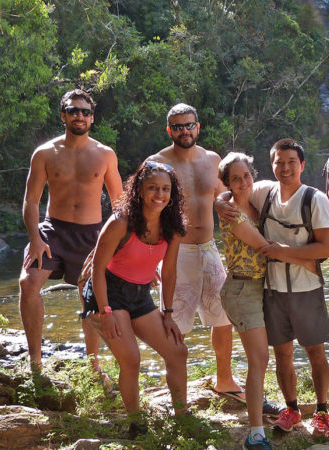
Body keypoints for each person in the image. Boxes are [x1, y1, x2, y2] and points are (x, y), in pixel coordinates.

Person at [217, 152, 319, 449]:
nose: (243, 181)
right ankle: (256, 433)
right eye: (235, 179)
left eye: (246, 175)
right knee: (259, 360)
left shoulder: (256, 203)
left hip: (261, 287)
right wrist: (310, 261)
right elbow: (264, 247)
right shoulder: (232, 213)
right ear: (227, 183)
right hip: (241, 290)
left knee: (263, 359)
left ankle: (267, 420)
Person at [80, 161, 187, 435]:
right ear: (139, 189)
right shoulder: (121, 222)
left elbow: (170, 271)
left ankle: (183, 418)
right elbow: (96, 270)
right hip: (108, 293)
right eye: (153, 188)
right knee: (131, 359)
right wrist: (104, 311)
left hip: (140, 295)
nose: (159, 195)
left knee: (177, 352)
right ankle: (136, 424)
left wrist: (168, 314)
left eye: (165, 189)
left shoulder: (173, 226)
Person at [19, 89, 123, 371]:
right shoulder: (44, 153)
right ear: (63, 115)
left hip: (91, 235)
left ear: (92, 118)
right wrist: (35, 238)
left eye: (85, 112)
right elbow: (31, 200)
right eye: (73, 110)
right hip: (52, 230)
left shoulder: (104, 154)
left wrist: (120, 244)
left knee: (90, 300)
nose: (80, 116)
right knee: (28, 284)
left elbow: (119, 204)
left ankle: (93, 365)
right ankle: (35, 363)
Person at [146, 103, 244, 399]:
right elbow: (145, 211)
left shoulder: (213, 160)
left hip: (210, 249)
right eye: (178, 126)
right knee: (174, 321)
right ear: (169, 130)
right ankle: (176, 385)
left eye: (189, 125)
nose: (184, 131)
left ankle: (224, 379)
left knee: (223, 317)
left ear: (198, 127)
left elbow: (227, 198)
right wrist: (149, 259)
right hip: (176, 252)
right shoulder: (157, 163)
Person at [244, 139, 329, 438]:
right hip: (272, 290)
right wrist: (220, 202)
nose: (285, 167)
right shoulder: (262, 192)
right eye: (279, 162)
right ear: (271, 165)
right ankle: (292, 408)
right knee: (282, 354)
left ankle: (322, 411)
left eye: (291, 161)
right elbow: (231, 192)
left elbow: (324, 248)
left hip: (306, 288)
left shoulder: (315, 199)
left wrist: (281, 251)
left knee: (314, 351)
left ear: (302, 165)